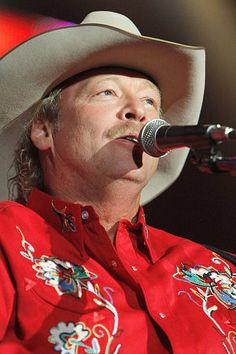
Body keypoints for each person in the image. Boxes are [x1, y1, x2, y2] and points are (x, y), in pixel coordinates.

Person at [0, 10, 235, 354]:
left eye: (149, 101)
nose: (137, 112)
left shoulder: (218, 266)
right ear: (44, 130)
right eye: (107, 93)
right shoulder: (8, 240)